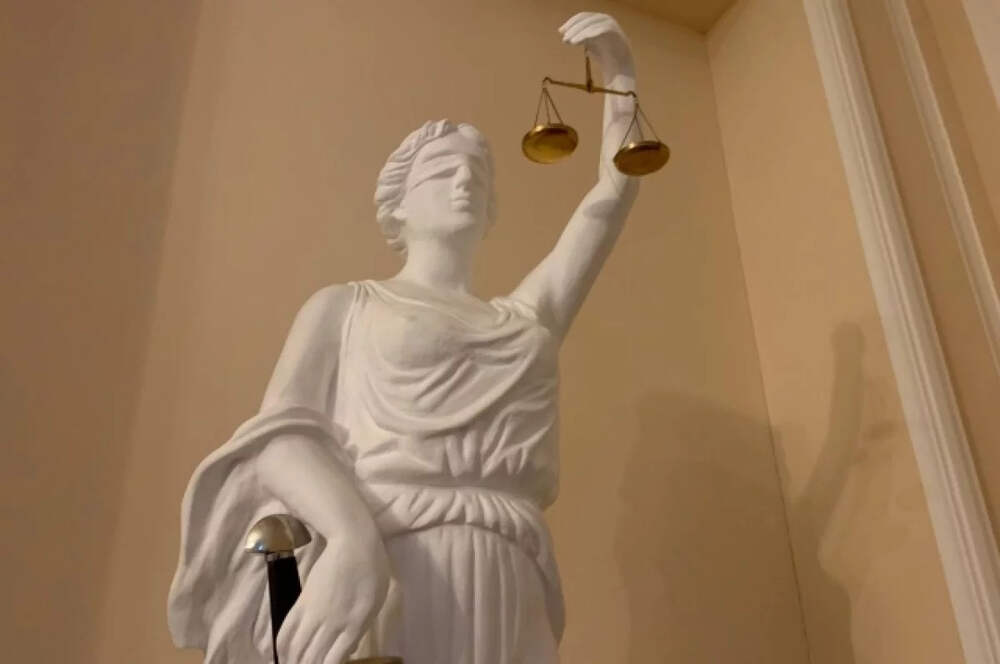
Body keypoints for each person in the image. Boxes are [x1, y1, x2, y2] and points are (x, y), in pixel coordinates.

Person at [168, 12, 640, 664]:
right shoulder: (348, 306)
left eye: (479, 173)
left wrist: (622, 80)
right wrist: (350, 541)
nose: (465, 180)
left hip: (514, 564)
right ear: (397, 206)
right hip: (394, 563)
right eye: (442, 169)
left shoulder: (524, 319)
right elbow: (280, 440)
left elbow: (611, 197)